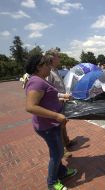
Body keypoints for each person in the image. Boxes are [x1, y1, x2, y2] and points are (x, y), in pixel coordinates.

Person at [25, 53, 77, 190]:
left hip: (50, 124)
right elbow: (31, 107)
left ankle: (62, 172)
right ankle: (52, 183)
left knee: (57, 151)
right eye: (46, 64)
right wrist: (56, 116)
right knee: (57, 153)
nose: (49, 66)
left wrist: (63, 97)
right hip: (47, 125)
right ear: (38, 67)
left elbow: (50, 95)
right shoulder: (36, 81)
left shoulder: (42, 79)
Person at [45, 48, 77, 158]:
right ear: (52, 58)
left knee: (63, 124)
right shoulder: (48, 72)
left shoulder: (55, 70)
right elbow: (48, 91)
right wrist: (61, 97)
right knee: (58, 126)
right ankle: (63, 150)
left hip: (61, 101)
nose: (60, 58)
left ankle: (66, 142)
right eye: (58, 56)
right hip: (56, 104)